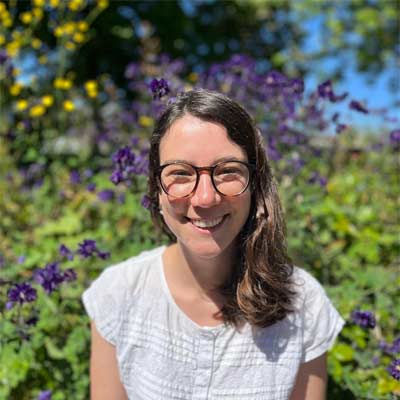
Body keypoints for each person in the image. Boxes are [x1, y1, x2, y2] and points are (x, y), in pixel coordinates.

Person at [82, 89, 345, 400]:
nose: (205, 197)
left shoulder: (303, 305)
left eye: (228, 171)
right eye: (180, 173)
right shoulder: (119, 294)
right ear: (156, 189)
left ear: (256, 185)